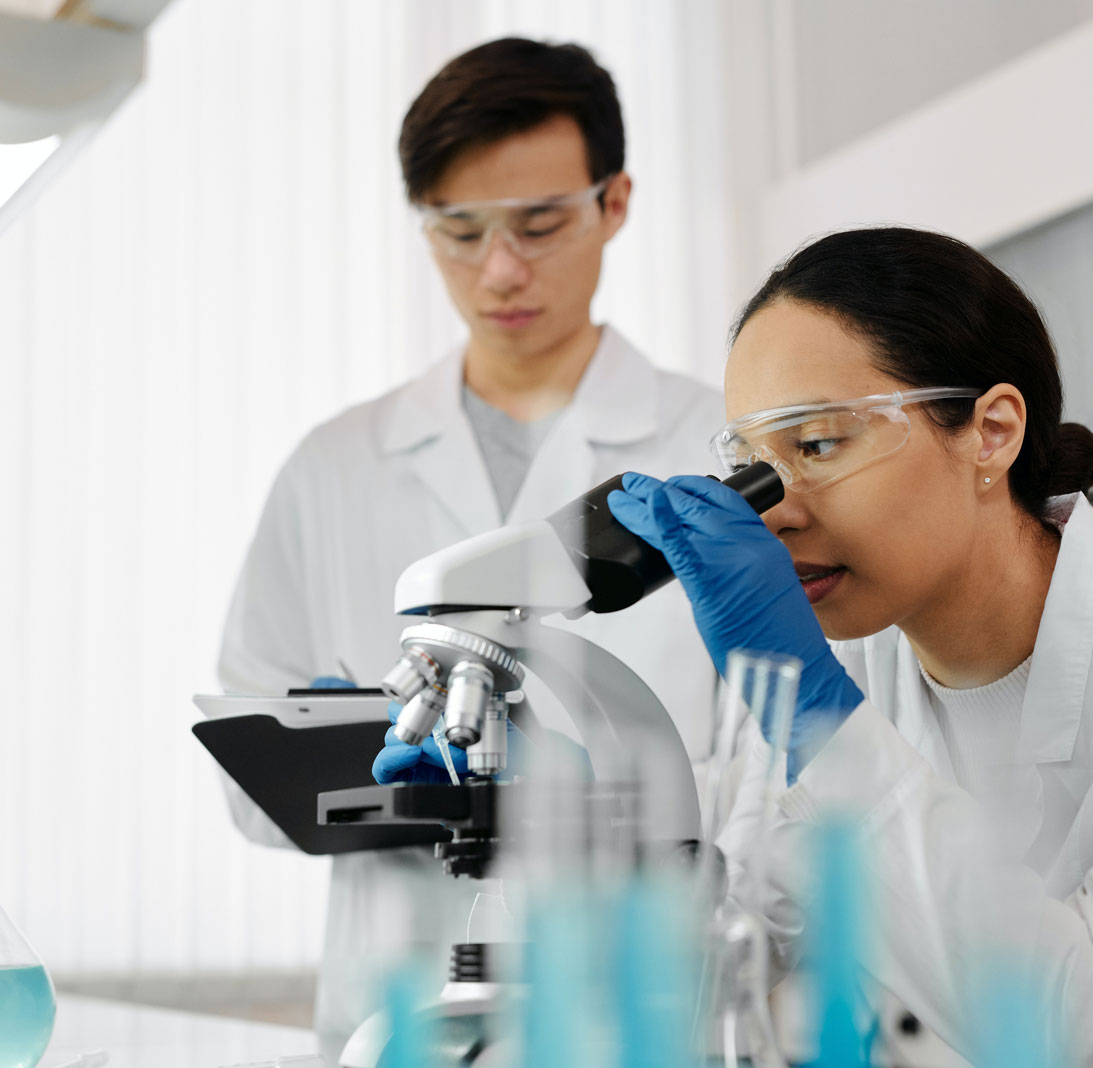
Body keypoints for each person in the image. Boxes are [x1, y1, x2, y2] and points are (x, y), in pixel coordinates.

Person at [609, 227, 1093, 1067]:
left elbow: (1081, 1028)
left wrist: (815, 716)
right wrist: (564, 825)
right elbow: (734, 947)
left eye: (818, 445)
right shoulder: (851, 663)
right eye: (752, 469)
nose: (774, 514)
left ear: (992, 432)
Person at [217, 37, 722, 1057]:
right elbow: (246, 781)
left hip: (635, 1010)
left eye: (539, 225)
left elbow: (791, 780)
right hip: (394, 1015)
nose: (499, 269)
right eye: (459, 231)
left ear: (614, 203)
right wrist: (351, 761)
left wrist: (583, 792)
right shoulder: (333, 467)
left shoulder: (710, 450)